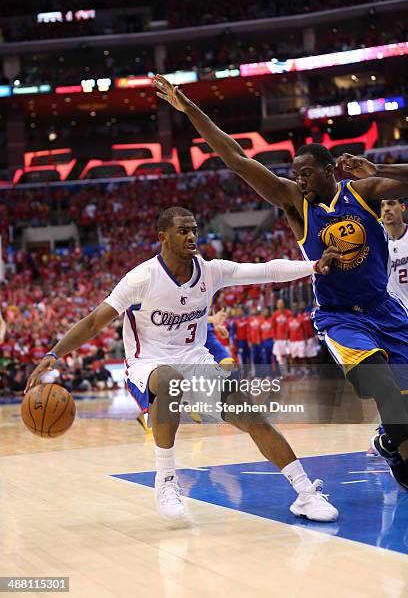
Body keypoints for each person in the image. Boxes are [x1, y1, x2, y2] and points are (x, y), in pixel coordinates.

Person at [154, 74, 408, 489]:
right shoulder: (294, 203)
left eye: (307, 174)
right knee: (379, 386)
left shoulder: (363, 191)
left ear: (329, 171)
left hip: (385, 308)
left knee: (401, 401)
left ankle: (387, 438)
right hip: (341, 316)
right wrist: (189, 109)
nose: (301, 181)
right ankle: (398, 443)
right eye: (296, 174)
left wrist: (378, 167)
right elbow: (237, 158)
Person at [26, 206, 340, 523]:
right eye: (183, 230)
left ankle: (305, 494)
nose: (191, 236)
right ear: (163, 236)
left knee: (253, 418)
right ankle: (165, 480)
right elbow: (94, 321)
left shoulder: (210, 271)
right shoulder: (142, 278)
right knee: (168, 380)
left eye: (194, 230)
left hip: (196, 360)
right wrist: (53, 354)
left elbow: (266, 271)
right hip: (148, 363)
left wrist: (313, 266)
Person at [367, 199, 408, 455]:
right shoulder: (377, 245)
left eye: (391, 204)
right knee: (392, 382)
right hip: (393, 322)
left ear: (402, 207)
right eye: (382, 207)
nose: (387, 210)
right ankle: (387, 433)